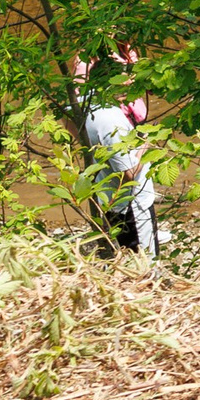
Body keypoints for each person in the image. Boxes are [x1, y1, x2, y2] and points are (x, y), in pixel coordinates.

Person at [73, 46, 158, 259]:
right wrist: (146, 143)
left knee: (122, 257)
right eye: (125, 79)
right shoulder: (111, 119)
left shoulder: (83, 106)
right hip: (132, 205)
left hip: (108, 200)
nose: (130, 84)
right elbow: (129, 173)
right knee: (145, 261)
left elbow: (69, 126)